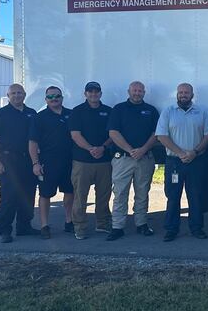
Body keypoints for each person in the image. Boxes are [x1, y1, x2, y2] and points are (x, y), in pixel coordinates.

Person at [156, 83, 208, 242]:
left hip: (196, 161)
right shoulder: (168, 111)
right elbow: (162, 136)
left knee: (196, 196)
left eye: (186, 92)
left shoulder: (202, 112)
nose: (183, 95)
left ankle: (196, 228)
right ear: (177, 94)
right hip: (175, 162)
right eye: (181, 92)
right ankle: (171, 229)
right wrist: (180, 153)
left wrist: (194, 152)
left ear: (192, 95)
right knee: (173, 196)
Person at [0, 83, 39, 243]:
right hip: (8, 160)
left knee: (28, 195)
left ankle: (24, 226)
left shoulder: (31, 113)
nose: (17, 95)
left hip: (28, 160)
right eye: (13, 93)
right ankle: (5, 230)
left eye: (19, 93)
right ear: (8, 96)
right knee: (9, 197)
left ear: (24, 95)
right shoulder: (0, 114)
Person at [106, 81, 160, 241]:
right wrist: (130, 150)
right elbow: (113, 133)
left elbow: (156, 133)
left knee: (142, 193)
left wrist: (143, 149)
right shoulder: (119, 109)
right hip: (123, 159)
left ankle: (141, 223)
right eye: (134, 90)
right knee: (120, 193)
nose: (137, 93)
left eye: (140, 91)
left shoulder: (151, 110)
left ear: (144, 93)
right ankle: (117, 227)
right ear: (128, 91)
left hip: (145, 158)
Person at [69, 81, 113, 240]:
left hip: (104, 160)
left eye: (96, 91)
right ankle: (80, 227)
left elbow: (113, 134)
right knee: (80, 196)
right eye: (90, 91)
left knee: (104, 195)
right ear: (85, 94)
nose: (93, 94)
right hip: (82, 161)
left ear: (100, 93)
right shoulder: (77, 111)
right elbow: (75, 135)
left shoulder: (108, 111)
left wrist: (102, 147)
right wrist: (91, 149)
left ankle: (102, 223)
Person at [28, 86, 74, 239]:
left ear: (62, 98)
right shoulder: (39, 117)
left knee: (70, 192)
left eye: (57, 96)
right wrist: (35, 163)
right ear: (46, 99)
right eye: (50, 97)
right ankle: (44, 225)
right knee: (45, 194)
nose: (54, 99)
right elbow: (33, 142)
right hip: (48, 162)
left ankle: (69, 221)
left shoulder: (71, 114)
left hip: (69, 161)